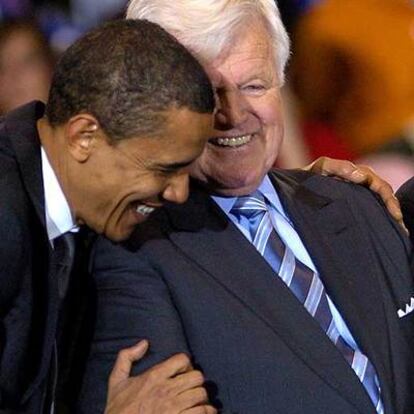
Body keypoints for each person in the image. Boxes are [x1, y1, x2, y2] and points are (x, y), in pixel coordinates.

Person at [77, 2, 414, 413]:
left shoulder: (355, 200)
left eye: (254, 85)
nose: (234, 115)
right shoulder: (132, 254)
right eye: (207, 93)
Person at [0, 18, 217, 413]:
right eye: (164, 169)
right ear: (85, 137)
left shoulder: (79, 207)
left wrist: (312, 190)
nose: (179, 192)